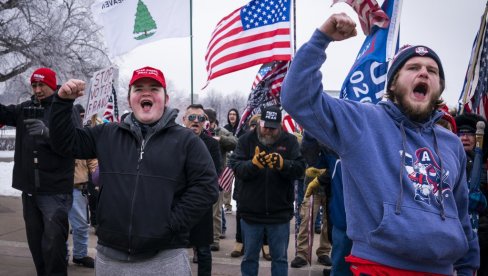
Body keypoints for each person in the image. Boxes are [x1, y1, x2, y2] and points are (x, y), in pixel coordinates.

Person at [281, 13, 479, 275]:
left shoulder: (451, 144)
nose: (423, 72)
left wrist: (468, 267)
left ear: (439, 87)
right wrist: (322, 38)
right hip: (380, 266)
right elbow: (297, 97)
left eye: (432, 70)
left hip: (442, 269)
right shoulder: (362, 121)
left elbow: (461, 214)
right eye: (413, 67)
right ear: (393, 83)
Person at [49, 66, 219, 275]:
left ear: (166, 99)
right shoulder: (107, 134)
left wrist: (171, 223)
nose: (146, 92)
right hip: (110, 258)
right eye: (138, 88)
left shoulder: (187, 141)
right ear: (129, 99)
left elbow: (206, 187)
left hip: (165, 259)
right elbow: (65, 143)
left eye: (154, 89)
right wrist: (62, 103)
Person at [0, 67, 75, 275]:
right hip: (29, 190)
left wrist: (49, 134)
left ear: (52, 85)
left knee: (53, 246)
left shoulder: (64, 109)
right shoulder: (25, 108)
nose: (38, 89)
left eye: (42, 85)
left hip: (55, 192)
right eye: (34, 85)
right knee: (36, 245)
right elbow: (3, 113)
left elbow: (74, 144)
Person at [229, 105, 306, 276]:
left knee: (280, 259)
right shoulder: (245, 140)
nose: (269, 132)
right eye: (266, 127)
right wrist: (253, 165)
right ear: (259, 123)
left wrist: (283, 164)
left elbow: (301, 168)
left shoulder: (290, 141)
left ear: (279, 126)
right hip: (250, 212)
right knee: (249, 258)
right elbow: (236, 167)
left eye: (273, 128)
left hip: (279, 213)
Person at [182, 103, 221, 276]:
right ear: (184, 120)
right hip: (179, 204)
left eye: (201, 118)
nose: (196, 121)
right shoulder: (175, 141)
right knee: (177, 250)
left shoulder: (211, 144)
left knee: (204, 250)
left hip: (201, 205)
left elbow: (214, 172)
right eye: (192, 118)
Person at [291, 132, 332, 269]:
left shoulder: (333, 131)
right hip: (311, 184)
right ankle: (302, 253)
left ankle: (324, 252)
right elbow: (305, 152)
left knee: (328, 221)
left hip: (331, 183)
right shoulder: (310, 132)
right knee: (306, 218)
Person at [68, 104, 97, 268]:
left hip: (77, 189)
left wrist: (96, 174)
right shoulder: (58, 132)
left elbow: (92, 159)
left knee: (80, 226)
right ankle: (61, 255)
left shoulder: (84, 136)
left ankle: (80, 255)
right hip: (57, 187)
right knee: (58, 228)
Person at [223, 108, 242, 213]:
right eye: (230, 114)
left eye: (234, 114)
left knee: (239, 183)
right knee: (227, 183)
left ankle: (240, 202)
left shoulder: (241, 129)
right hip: (228, 159)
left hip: (239, 159)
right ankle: (227, 205)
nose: (232, 116)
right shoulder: (225, 129)